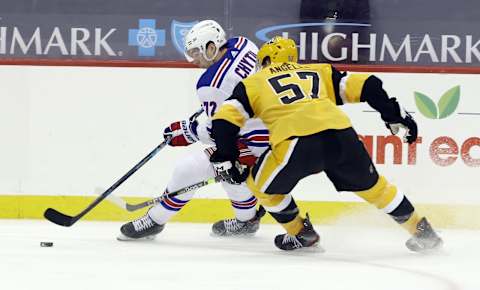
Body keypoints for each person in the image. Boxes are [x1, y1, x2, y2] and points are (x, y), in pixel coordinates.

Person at [208, 36, 443, 252]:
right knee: (377, 189)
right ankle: (423, 232)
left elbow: (224, 118)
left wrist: (226, 157)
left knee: (259, 185)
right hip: (342, 136)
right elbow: (369, 85)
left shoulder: (254, 82)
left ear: (267, 59)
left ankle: (301, 233)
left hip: (296, 142)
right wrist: (394, 115)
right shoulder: (318, 72)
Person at [117, 20, 269, 241]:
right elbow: (238, 100)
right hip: (276, 127)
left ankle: (155, 220)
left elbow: (223, 129)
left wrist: (189, 132)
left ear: (211, 47)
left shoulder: (210, 84)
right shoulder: (244, 44)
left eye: (196, 52)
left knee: (195, 168)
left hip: (253, 139)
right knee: (224, 168)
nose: (193, 60)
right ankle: (247, 220)